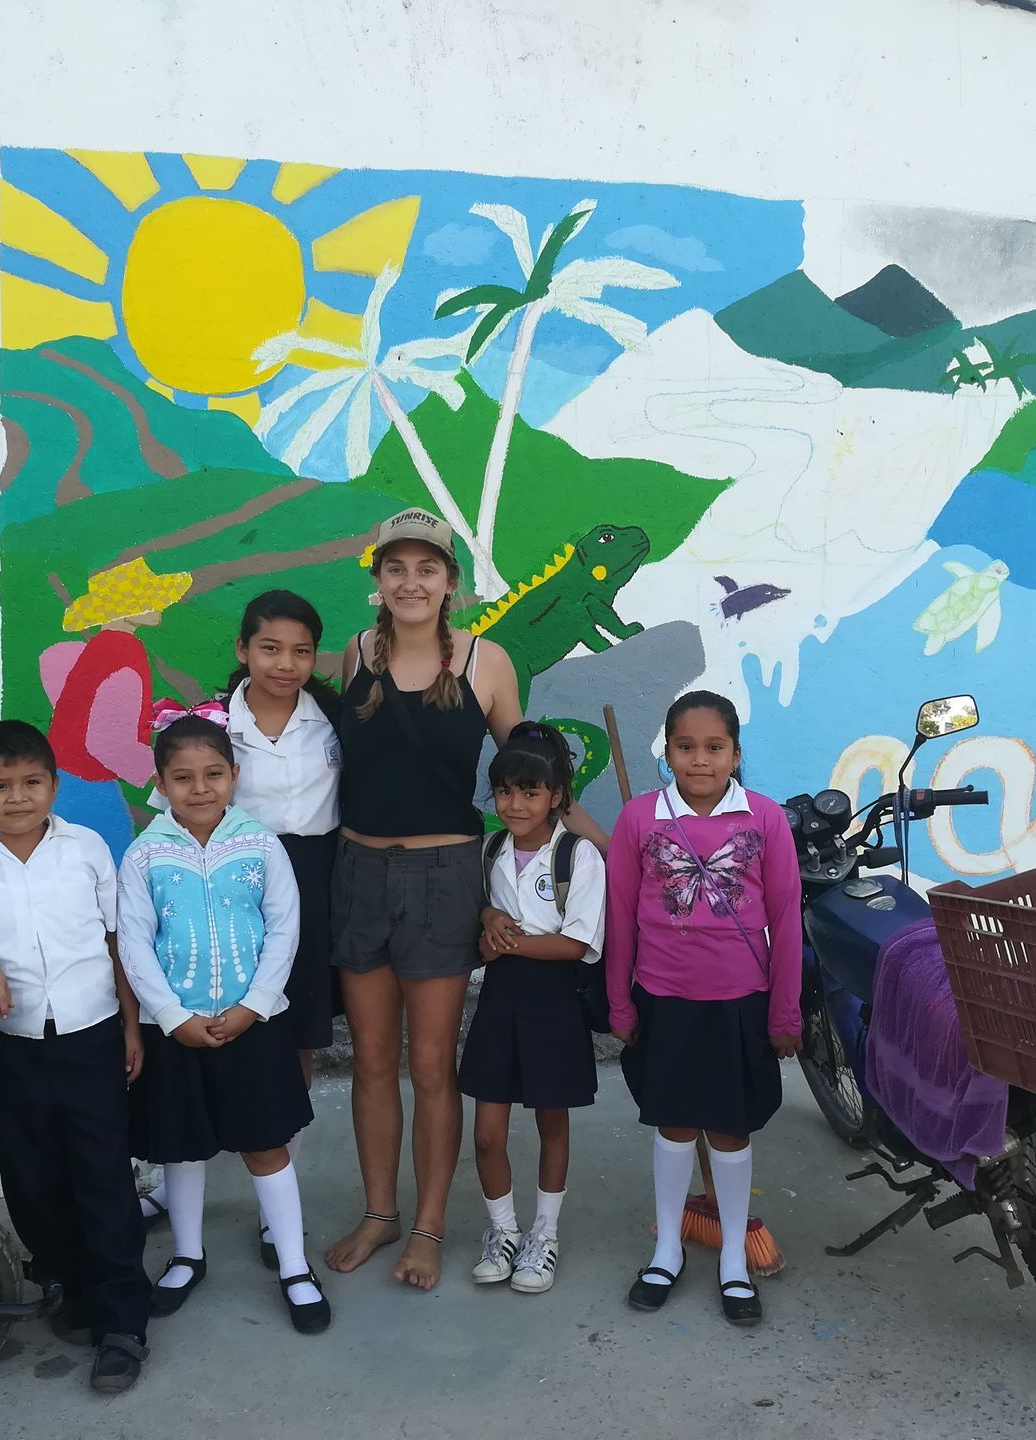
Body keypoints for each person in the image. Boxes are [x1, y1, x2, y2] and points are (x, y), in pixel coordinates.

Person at [326, 507, 606, 1292]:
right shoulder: (355, 656)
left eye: (427, 568)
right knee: (373, 1062)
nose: (410, 582)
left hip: (444, 876)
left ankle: (429, 1226)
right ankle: (382, 1214)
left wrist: (609, 851)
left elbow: (536, 770)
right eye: (396, 567)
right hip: (358, 872)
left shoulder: (488, 662)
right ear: (378, 578)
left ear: (452, 582)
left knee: (429, 1065)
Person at [0, 720, 151, 1393]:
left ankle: (121, 1321)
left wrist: (132, 1030)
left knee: (104, 1175)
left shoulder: (85, 850)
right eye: (0, 786)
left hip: (92, 1033)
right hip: (11, 1045)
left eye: (31, 783)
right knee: (32, 1173)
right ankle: (65, 1280)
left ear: (54, 786)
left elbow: (116, 944)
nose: (17, 797)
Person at [136, 591, 342, 1271]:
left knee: (294, 1039)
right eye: (269, 648)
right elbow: (163, 818)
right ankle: (176, 1186)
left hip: (303, 880)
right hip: (212, 883)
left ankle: (270, 1201)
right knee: (188, 1056)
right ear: (242, 651)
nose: (286, 663)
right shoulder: (211, 727)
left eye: (301, 650)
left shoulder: (333, 718)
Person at [118, 704, 330, 1335]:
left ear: (234, 775)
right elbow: (133, 942)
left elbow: (284, 927)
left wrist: (253, 1006)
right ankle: (187, 1256)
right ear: (159, 784)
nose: (200, 788)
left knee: (266, 1143)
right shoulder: (145, 855)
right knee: (181, 1150)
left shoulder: (260, 844)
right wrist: (169, 1015)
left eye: (214, 773)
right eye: (183, 777)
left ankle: (293, 1266)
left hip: (254, 1025)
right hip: (175, 1030)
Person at [604, 691, 802, 1328]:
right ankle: (665, 1251)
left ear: (736, 755)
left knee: (729, 1131)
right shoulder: (639, 820)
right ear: (668, 752)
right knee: (674, 1127)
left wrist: (785, 1013)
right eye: (685, 747)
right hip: (663, 1001)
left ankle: (734, 1264)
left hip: (741, 1003)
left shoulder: (765, 820)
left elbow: (785, 920)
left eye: (714, 748)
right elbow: (622, 918)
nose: (699, 760)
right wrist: (620, 1004)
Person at [459, 722, 606, 1296]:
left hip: (552, 1004)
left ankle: (543, 1236)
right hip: (498, 1003)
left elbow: (575, 943)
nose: (515, 804)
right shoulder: (491, 850)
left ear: (557, 797)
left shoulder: (578, 856)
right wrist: (489, 921)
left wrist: (507, 939)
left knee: (552, 1121)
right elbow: (482, 922)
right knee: (488, 1133)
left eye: (530, 792)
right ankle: (503, 1232)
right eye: (504, 792)